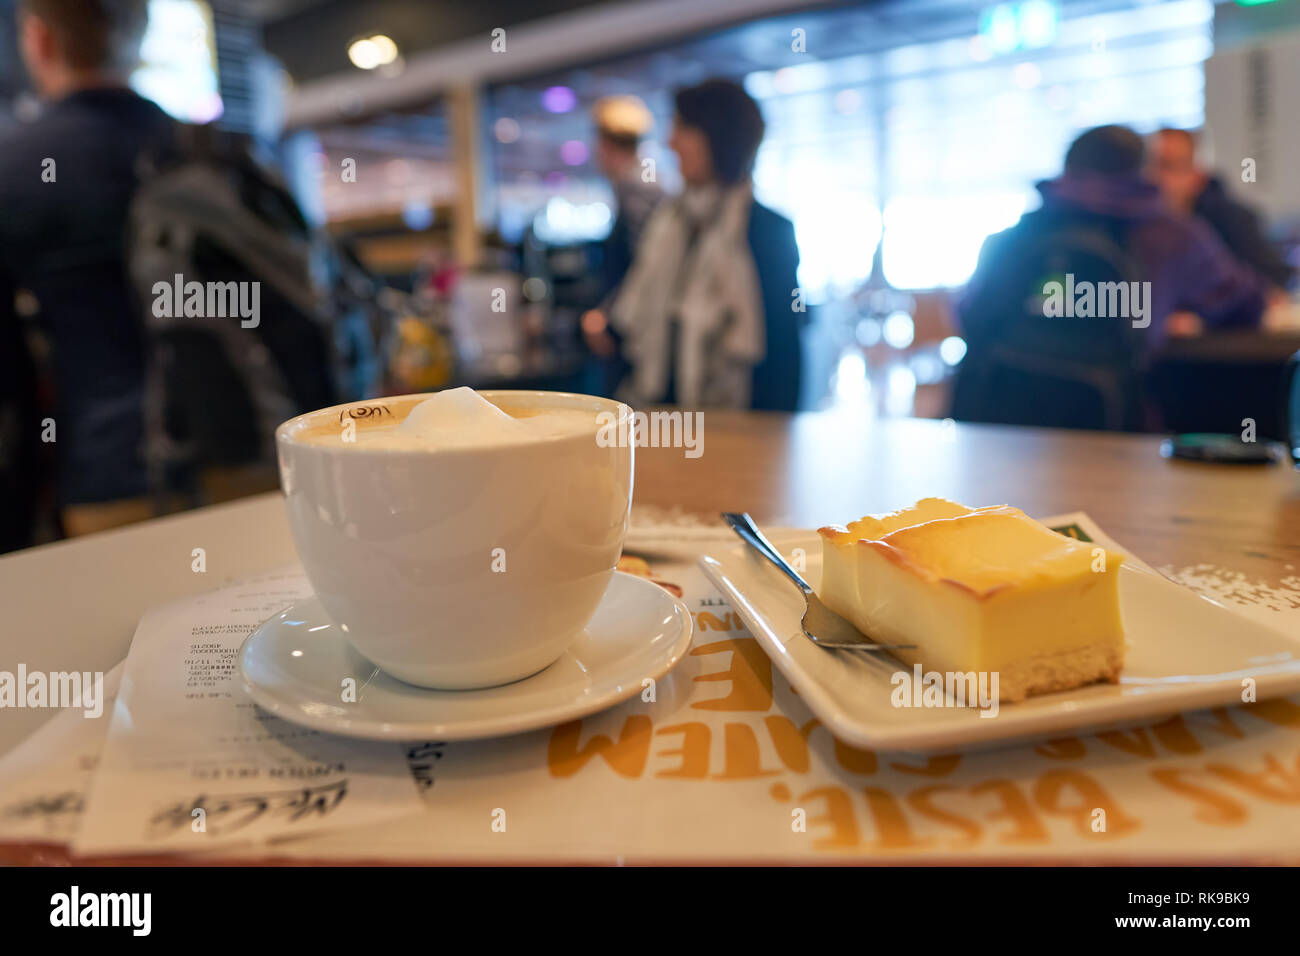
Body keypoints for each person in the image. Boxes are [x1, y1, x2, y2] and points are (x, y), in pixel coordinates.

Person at [0, 0, 174, 538]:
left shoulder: (14, 167)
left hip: (107, 473)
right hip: (248, 457)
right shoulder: (210, 150)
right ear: (141, 33)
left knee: (128, 623)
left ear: (38, 39)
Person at [586, 79, 802, 410]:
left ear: (717, 137)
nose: (671, 142)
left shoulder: (768, 232)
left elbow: (784, 359)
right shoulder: (669, 221)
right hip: (657, 420)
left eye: (683, 128)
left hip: (732, 430)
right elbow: (641, 310)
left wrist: (771, 446)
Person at [959, 124, 1265, 351]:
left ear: (1067, 168)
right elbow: (1248, 305)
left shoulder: (1016, 236)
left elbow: (969, 316)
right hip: (1115, 425)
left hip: (1004, 419)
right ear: (1144, 170)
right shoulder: (1173, 234)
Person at [579, 96, 663, 395]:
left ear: (606, 145)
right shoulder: (640, 184)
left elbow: (649, 265)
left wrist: (607, 316)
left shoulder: (637, 189)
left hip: (633, 330)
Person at [1148, 127, 1294, 294]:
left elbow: (1274, 283)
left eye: (1169, 166)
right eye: (1150, 165)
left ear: (1197, 175)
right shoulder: (1138, 224)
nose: (1155, 177)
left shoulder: (1235, 221)